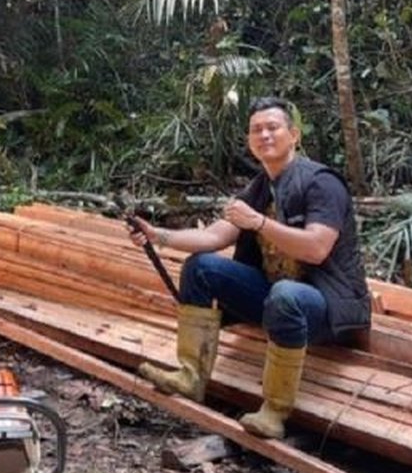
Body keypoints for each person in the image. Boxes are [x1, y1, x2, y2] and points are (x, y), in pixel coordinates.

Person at [129, 97, 371, 439]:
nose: (264, 135)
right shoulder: (259, 187)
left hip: (327, 305)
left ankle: (274, 411)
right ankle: (190, 376)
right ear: (249, 141)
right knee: (200, 268)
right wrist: (159, 236)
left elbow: (317, 249)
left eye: (273, 127)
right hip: (276, 297)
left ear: (294, 135)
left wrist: (258, 222)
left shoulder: (321, 183)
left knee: (285, 294)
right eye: (257, 129)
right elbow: (215, 236)